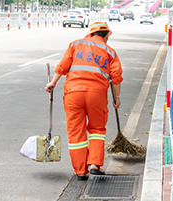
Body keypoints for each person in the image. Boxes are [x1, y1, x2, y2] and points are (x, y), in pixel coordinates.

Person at [44, 22, 123, 180]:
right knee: (97, 130)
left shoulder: (75, 44)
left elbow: (62, 67)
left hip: (73, 93)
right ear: (107, 34)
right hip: (97, 95)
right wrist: (116, 98)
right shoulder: (110, 51)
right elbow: (116, 77)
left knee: (75, 132)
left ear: (91, 33)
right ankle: (94, 164)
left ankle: (80, 171)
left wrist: (52, 83)